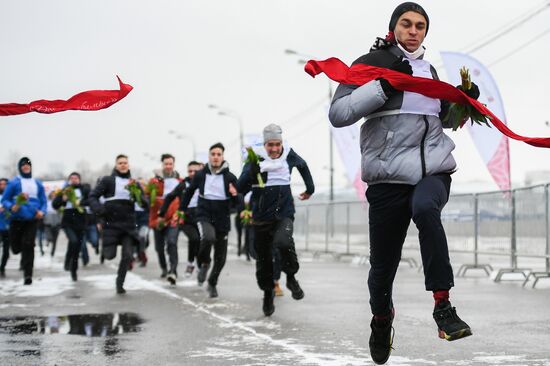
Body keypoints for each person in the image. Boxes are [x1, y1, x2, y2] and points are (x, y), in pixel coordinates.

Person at [328, 2, 478, 363]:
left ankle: (443, 308)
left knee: (427, 209)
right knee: (383, 266)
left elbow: (442, 121)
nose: (414, 31)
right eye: (407, 24)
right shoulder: (370, 63)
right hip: (387, 177)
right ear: (393, 27)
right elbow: (339, 114)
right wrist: (382, 83)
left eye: (420, 26)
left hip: (432, 171)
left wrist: (463, 104)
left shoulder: (430, 72)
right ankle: (381, 320)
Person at [237, 124, 315, 316]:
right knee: (263, 259)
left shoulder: (288, 154)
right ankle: (267, 292)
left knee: (284, 242)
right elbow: (240, 187)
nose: (273, 149)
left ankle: (290, 277)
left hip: (284, 213)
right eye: (270, 145)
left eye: (277, 144)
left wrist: (310, 189)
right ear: (264, 145)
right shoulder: (255, 159)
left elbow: (303, 166)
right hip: (261, 218)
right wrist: (251, 171)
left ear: (281, 143)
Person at [168, 143, 238, 298]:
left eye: (218, 154)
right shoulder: (200, 175)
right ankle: (204, 263)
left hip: (222, 219)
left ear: (222, 157)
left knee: (221, 258)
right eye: (213, 154)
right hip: (204, 214)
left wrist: (234, 195)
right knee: (207, 237)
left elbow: (238, 200)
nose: (215, 157)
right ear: (209, 156)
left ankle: (212, 282)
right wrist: (181, 210)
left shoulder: (230, 177)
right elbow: (189, 192)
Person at [88, 154, 147, 294]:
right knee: (109, 256)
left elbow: (144, 204)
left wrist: (139, 197)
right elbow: (92, 196)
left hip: (128, 226)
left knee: (127, 256)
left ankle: (120, 283)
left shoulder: (134, 183)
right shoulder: (107, 180)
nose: (123, 165)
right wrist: (100, 210)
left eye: (125, 162)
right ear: (116, 165)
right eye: (120, 162)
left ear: (128, 165)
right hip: (111, 224)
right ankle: (105, 249)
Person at [1, 157, 47, 285]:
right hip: (16, 220)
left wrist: (42, 211)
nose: (26, 167)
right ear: (20, 167)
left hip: (31, 219)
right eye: (23, 165)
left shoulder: (37, 183)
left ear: (31, 167)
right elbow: (5, 199)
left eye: (28, 165)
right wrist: (11, 206)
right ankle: (19, 248)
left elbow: (43, 201)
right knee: (16, 248)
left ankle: (28, 274)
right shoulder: (14, 182)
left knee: (29, 245)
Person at [161, 160, 204, 277]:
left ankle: (199, 264)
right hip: (186, 218)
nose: (193, 173)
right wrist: (162, 212)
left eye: (196, 171)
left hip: (201, 216)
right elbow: (170, 197)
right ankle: (190, 263)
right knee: (194, 238)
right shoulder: (183, 184)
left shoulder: (205, 182)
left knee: (202, 242)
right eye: (190, 171)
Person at [146, 154, 182, 284]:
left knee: (172, 243)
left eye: (170, 164)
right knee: (159, 248)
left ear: (173, 165)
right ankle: (164, 268)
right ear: (162, 165)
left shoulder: (180, 182)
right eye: (166, 164)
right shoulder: (153, 182)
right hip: (158, 219)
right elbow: (146, 198)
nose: (168, 166)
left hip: (173, 218)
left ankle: (173, 271)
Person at [52, 172, 90, 281]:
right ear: (69, 180)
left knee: (77, 246)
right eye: (71, 178)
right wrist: (62, 199)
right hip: (68, 221)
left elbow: (90, 200)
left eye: (76, 178)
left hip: (81, 221)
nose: (74, 180)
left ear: (79, 179)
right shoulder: (65, 190)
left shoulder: (84, 189)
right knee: (73, 241)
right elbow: (55, 204)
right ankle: (67, 261)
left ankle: (74, 270)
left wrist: (81, 202)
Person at [0, 178, 11, 277]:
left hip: (7, 228)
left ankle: (2, 268)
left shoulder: (10, 198)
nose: (3, 186)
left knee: (6, 251)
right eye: (1, 184)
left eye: (5, 184)